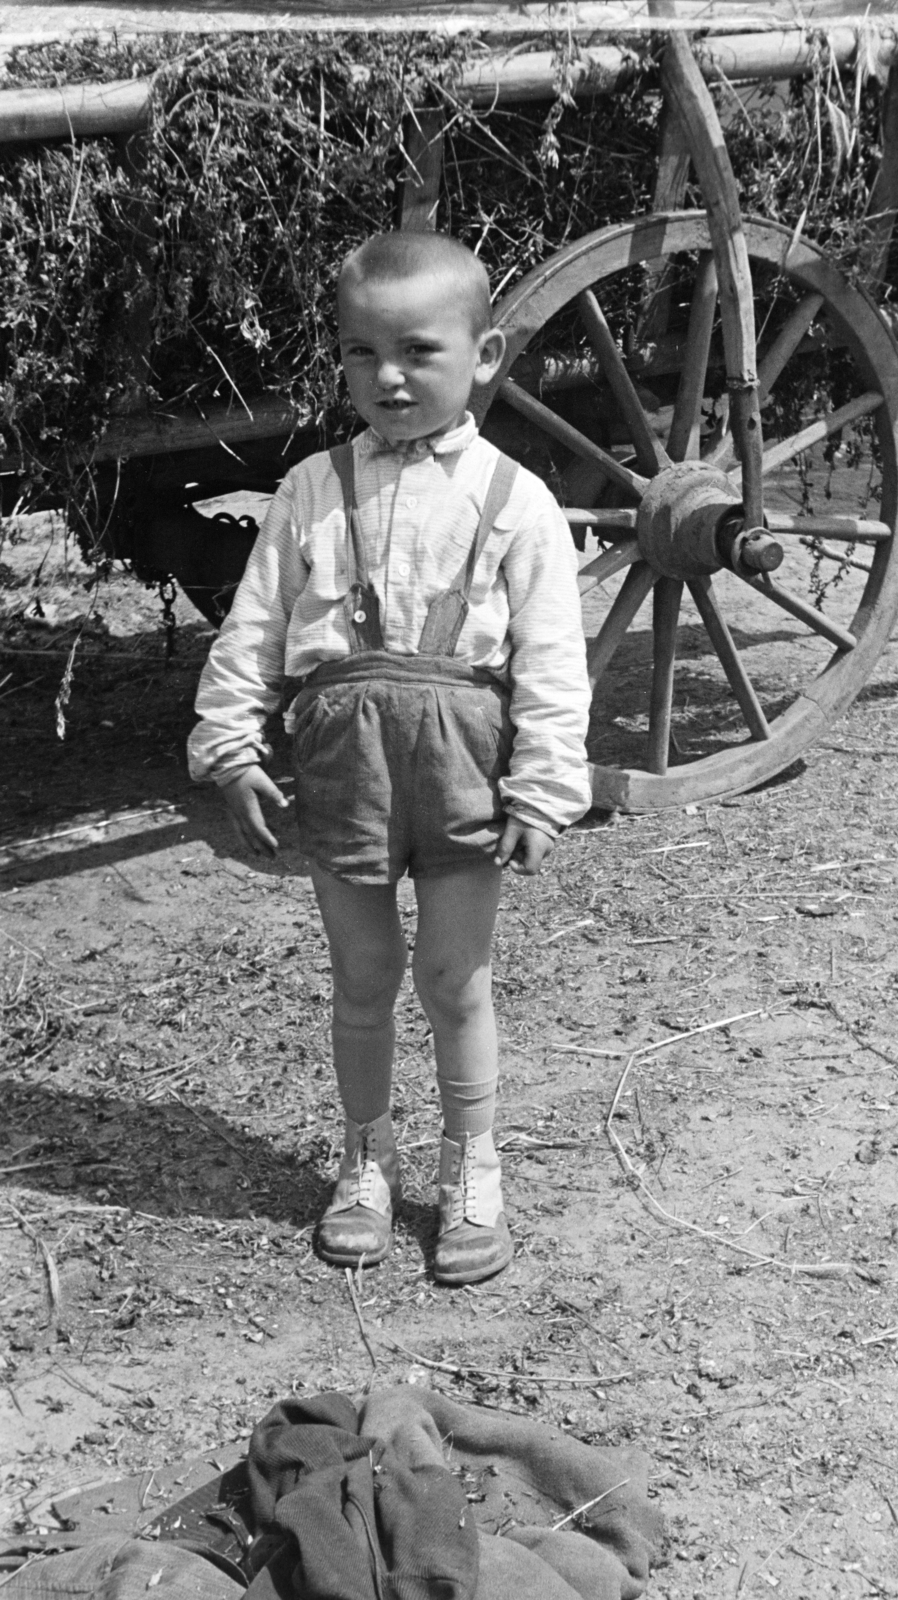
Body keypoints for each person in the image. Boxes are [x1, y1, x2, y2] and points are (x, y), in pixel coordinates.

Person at [188, 231, 591, 1286]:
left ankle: (473, 1164)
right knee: (363, 974)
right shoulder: (311, 493)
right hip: (346, 771)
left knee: (453, 976)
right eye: (362, 354)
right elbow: (254, 627)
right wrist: (230, 745)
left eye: (418, 349)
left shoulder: (515, 504)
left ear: (485, 352)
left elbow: (553, 659)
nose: (390, 376)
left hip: (461, 770)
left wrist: (542, 788)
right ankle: (365, 1153)